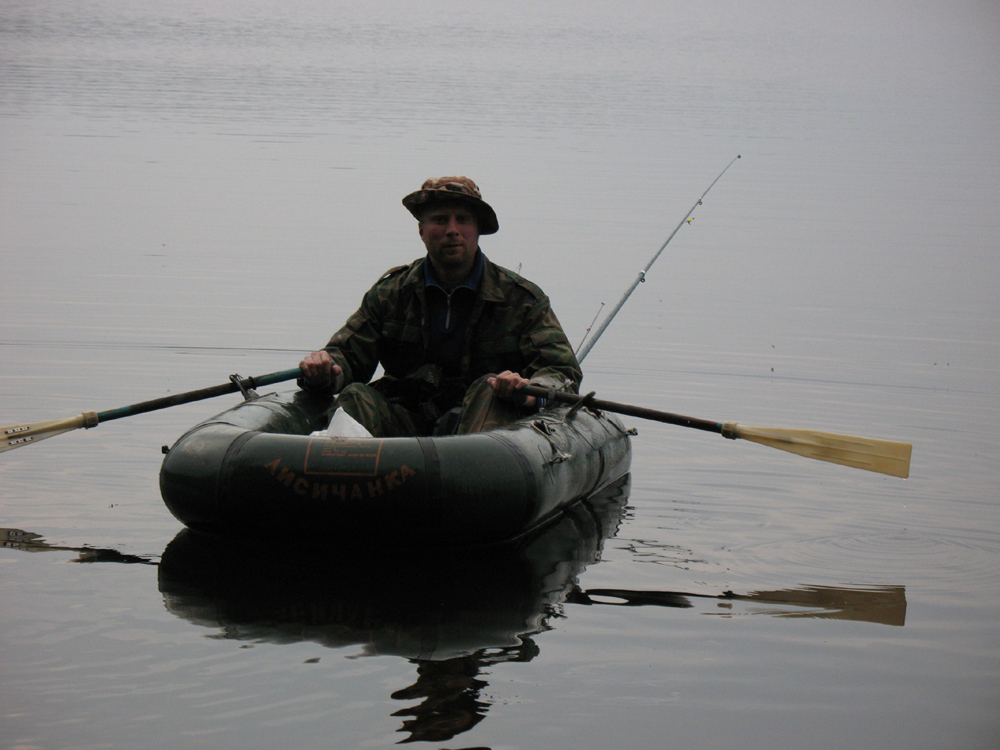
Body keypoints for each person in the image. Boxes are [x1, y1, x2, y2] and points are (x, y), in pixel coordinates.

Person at [298, 176, 581, 437]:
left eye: (463, 220)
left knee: (490, 389)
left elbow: (560, 371)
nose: (452, 230)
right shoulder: (391, 292)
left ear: (478, 230)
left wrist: (528, 392)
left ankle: (472, 482)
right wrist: (323, 369)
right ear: (422, 230)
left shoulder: (521, 299)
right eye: (440, 219)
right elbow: (348, 356)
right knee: (357, 397)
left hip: (487, 432)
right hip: (405, 421)